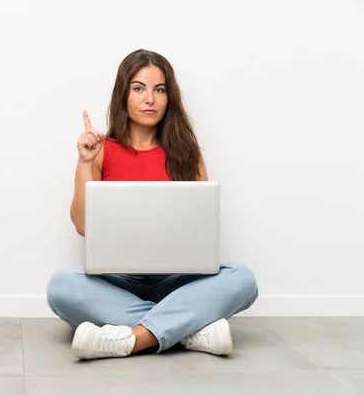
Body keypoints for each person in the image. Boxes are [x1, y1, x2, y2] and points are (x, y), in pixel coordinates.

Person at [46, 49, 259, 360]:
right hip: (118, 280)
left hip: (177, 280)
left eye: (159, 89)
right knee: (62, 286)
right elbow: (82, 225)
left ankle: (132, 338)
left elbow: (202, 228)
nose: (150, 99)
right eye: (138, 88)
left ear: (169, 97)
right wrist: (84, 163)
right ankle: (190, 331)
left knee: (243, 279)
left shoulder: (188, 154)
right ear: (123, 94)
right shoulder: (103, 151)